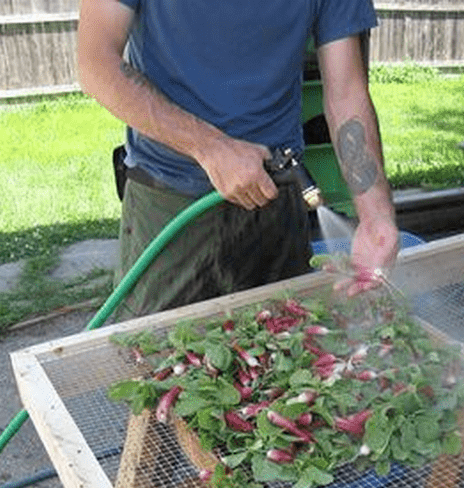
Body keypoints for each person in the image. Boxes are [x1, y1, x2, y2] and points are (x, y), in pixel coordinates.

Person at [76, 0, 401, 318]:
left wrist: (375, 215)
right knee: (153, 356)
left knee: (288, 354)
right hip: (170, 205)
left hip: (276, 204)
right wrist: (211, 147)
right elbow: (96, 64)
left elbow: (346, 95)